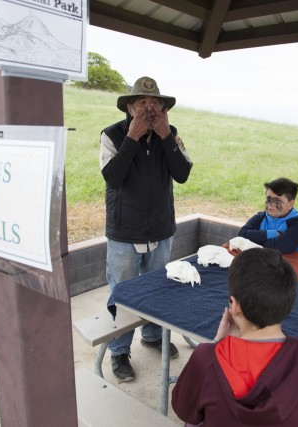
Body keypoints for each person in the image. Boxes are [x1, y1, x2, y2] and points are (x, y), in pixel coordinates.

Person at [171, 248, 298, 426]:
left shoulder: (207, 358)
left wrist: (217, 344)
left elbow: (184, 410)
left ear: (234, 306)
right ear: (288, 303)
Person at [100, 76, 193, 382]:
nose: (150, 109)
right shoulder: (112, 135)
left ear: (164, 110)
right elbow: (112, 177)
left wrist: (166, 137)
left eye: (156, 103)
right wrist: (132, 138)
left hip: (161, 229)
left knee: (157, 288)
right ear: (129, 107)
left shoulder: (171, 134)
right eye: (142, 103)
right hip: (125, 232)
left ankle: (152, 336)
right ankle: (119, 352)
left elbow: (182, 174)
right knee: (123, 293)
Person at [238, 177, 298, 253]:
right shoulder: (260, 217)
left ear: (291, 204)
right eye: (268, 199)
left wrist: (254, 240)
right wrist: (274, 233)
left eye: (277, 200)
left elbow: (278, 248)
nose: (271, 204)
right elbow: (242, 235)